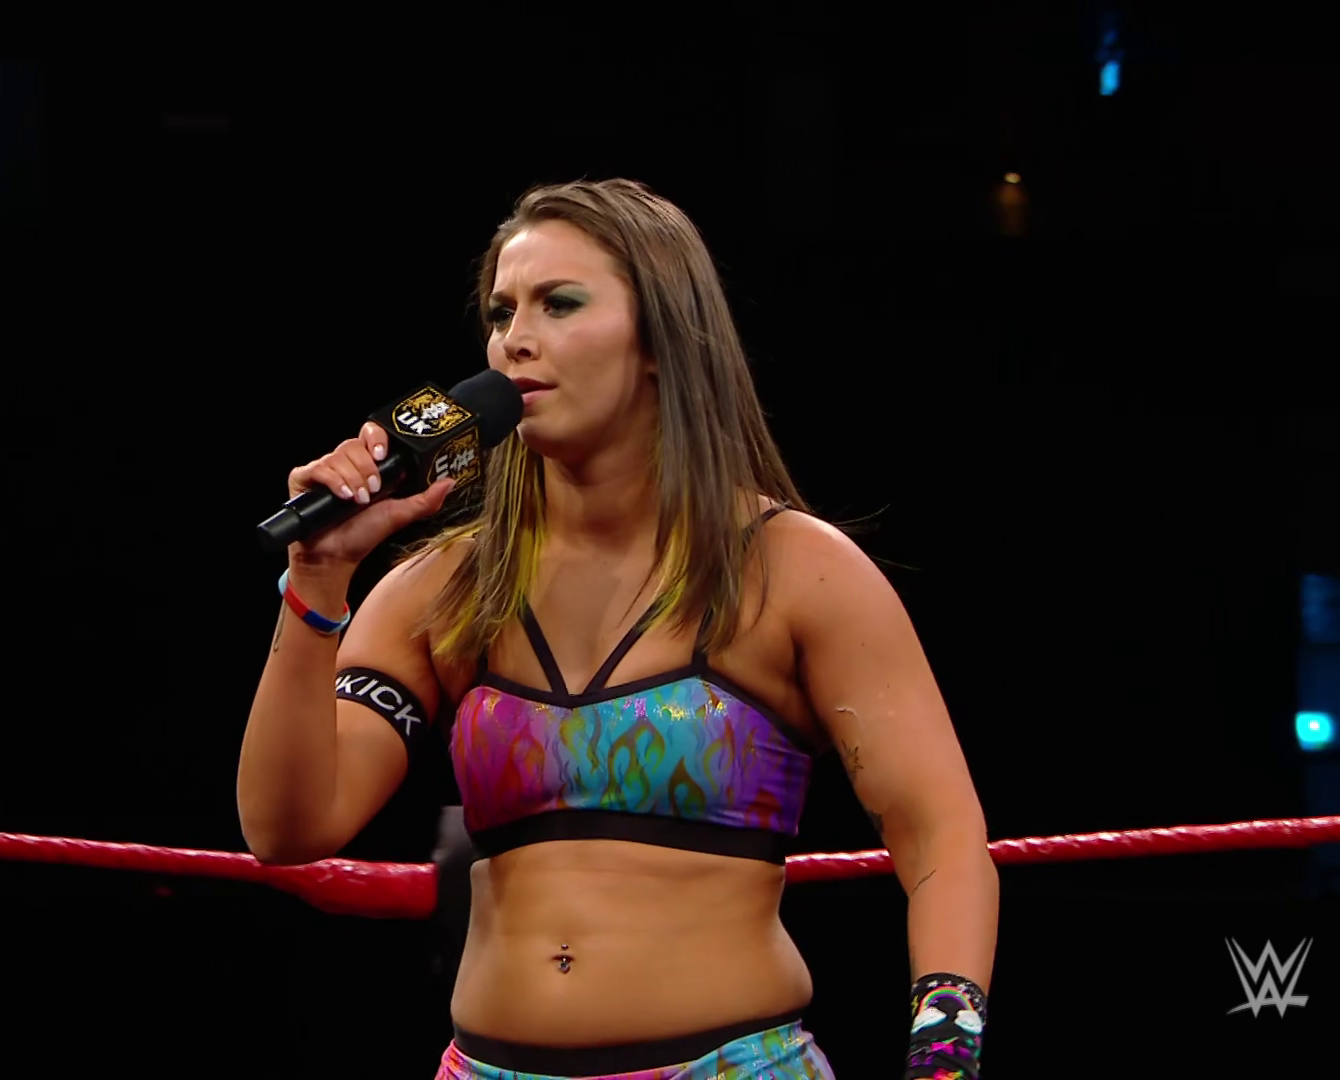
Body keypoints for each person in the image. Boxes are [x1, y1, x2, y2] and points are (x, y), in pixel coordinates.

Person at [238, 179, 998, 1080]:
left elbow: (941, 836)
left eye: (560, 303)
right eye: (502, 311)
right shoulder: (445, 587)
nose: (515, 338)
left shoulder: (793, 569)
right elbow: (288, 827)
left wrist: (944, 1060)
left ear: (660, 344)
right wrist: (317, 578)